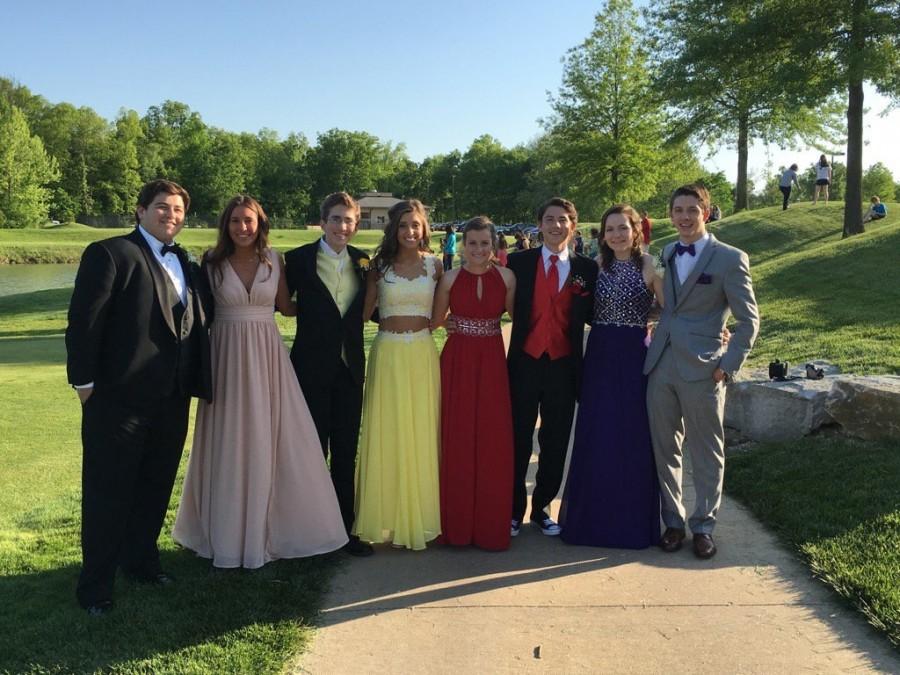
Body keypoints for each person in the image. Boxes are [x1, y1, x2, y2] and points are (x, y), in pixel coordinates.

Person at [173, 196, 347, 568]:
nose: (242, 228)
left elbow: (287, 307)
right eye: (235, 221)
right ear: (226, 225)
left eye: (248, 221)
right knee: (230, 437)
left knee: (276, 436)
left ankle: (275, 525)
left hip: (267, 356)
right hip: (226, 357)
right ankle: (226, 532)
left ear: (260, 223)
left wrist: (331, 313)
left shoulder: (275, 260)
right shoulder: (210, 262)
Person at [66, 179, 212, 615]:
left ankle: (142, 563)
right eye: (163, 208)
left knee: (154, 486)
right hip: (117, 398)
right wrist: (85, 385)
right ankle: (95, 587)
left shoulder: (186, 262)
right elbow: (84, 323)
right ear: (141, 209)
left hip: (172, 398)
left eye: (179, 211)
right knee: (108, 493)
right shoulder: (110, 253)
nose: (172, 216)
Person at [644, 183, 759, 559]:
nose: (685, 216)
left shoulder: (730, 258)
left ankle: (704, 525)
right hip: (661, 365)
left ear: (706, 213)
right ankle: (673, 522)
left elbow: (749, 320)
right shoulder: (666, 251)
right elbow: (666, 306)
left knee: (707, 452)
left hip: (705, 369)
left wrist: (728, 366)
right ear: (671, 213)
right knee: (665, 449)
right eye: (678, 209)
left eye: (693, 209)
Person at [560, 204, 663, 549]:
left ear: (636, 230)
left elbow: (671, 309)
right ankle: (590, 520)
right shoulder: (595, 267)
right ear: (603, 235)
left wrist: (713, 332)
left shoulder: (650, 265)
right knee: (597, 431)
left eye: (623, 227)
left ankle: (630, 521)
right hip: (601, 352)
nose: (616, 234)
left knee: (632, 432)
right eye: (610, 229)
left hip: (635, 352)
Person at [284, 192, 375, 558]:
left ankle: (344, 530)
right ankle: (309, 530)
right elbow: (284, 306)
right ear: (323, 221)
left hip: (350, 369)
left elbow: (367, 310)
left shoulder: (363, 262)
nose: (343, 227)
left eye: (349, 220)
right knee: (311, 451)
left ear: (356, 225)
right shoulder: (298, 260)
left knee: (345, 452)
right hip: (309, 368)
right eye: (336, 219)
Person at [354, 199, 443, 550]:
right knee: (386, 430)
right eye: (403, 226)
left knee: (421, 432)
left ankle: (419, 516)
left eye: (416, 225)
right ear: (394, 229)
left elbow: (440, 318)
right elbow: (362, 313)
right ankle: (383, 516)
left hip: (422, 352)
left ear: (424, 229)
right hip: (387, 352)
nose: (410, 232)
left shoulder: (436, 267)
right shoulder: (379, 267)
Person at [506, 198, 598, 537]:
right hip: (524, 363)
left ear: (572, 225)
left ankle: (542, 508)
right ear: (539, 224)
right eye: (549, 219)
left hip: (563, 365)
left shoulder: (587, 270)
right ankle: (513, 509)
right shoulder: (517, 263)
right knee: (517, 439)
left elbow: (599, 314)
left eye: (562, 220)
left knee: (556, 440)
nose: (555, 226)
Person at [432, 216, 516, 551]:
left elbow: (516, 317)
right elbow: (437, 320)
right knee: (458, 434)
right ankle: (456, 523)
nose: (478, 250)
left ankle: (489, 524)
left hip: (493, 361)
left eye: (484, 243)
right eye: (472, 243)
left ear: (494, 246)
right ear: (462, 245)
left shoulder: (507, 277)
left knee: (492, 436)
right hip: (458, 361)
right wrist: (452, 323)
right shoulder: (450, 277)